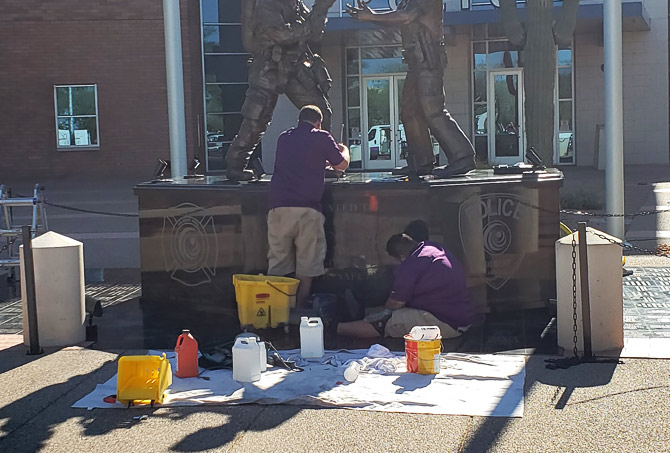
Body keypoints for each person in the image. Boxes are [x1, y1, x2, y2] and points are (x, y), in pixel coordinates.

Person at [346, 0, 476, 178]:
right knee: (409, 113)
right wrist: (369, 17)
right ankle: (421, 162)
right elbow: (397, 20)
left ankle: (462, 156)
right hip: (416, 62)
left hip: (428, 60)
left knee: (433, 110)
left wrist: (370, 16)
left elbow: (405, 17)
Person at [226, 0, 337, 182]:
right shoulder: (267, 3)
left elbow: (315, 34)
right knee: (256, 120)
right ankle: (236, 165)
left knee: (321, 110)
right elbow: (280, 34)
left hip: (295, 67)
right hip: (268, 67)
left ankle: (320, 162)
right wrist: (307, 27)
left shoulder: (296, 3)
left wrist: (322, 6)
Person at [267, 105, 350, 307]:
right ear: (318, 122)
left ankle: (277, 309)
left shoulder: (284, 137)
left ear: (299, 120)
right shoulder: (321, 137)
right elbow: (341, 165)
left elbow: (299, 161)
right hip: (307, 209)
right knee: (307, 264)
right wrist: (344, 150)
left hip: (278, 207)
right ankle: (299, 306)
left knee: (278, 263)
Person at [337, 233, 474, 338]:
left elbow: (395, 303)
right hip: (459, 318)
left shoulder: (412, 263)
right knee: (381, 314)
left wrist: (379, 311)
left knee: (383, 321)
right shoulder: (432, 248)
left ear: (402, 257)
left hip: (445, 324)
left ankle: (335, 328)